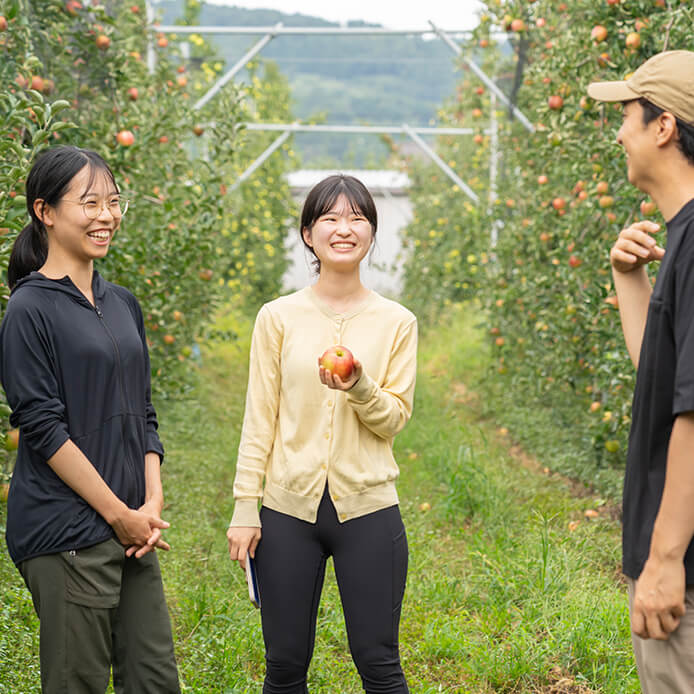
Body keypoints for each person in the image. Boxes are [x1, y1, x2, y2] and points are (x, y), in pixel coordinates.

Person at [226, 174, 417, 694]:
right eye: (330, 218)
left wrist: (358, 385)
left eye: (357, 218)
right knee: (284, 667)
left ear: (372, 234)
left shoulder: (396, 322)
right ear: (308, 233)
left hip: (370, 509)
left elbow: (395, 418)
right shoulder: (278, 318)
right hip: (288, 511)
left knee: (379, 663)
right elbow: (259, 418)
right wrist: (247, 507)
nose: (344, 228)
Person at [0, 145, 180, 693]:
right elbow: (44, 428)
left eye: (114, 202)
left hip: (130, 529)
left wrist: (149, 503)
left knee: (155, 681)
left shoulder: (122, 303)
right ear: (45, 212)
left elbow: (143, 412)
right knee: (76, 684)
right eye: (90, 202)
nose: (106, 215)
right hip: (67, 531)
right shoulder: (29, 309)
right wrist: (117, 512)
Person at [587, 50, 694, 692]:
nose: (619, 132)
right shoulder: (679, 239)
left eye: (627, 114)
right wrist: (630, 279)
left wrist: (664, 558)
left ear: (664, 127)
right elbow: (662, 380)